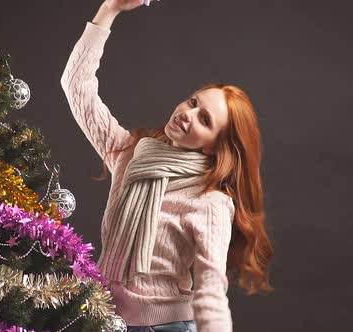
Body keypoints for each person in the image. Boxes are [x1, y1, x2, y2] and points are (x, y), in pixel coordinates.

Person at [60, 0, 274, 331]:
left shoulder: (211, 201)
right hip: (101, 319)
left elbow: (211, 293)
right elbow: (76, 87)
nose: (187, 114)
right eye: (192, 102)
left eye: (204, 119)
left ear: (216, 145)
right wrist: (109, 9)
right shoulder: (128, 155)